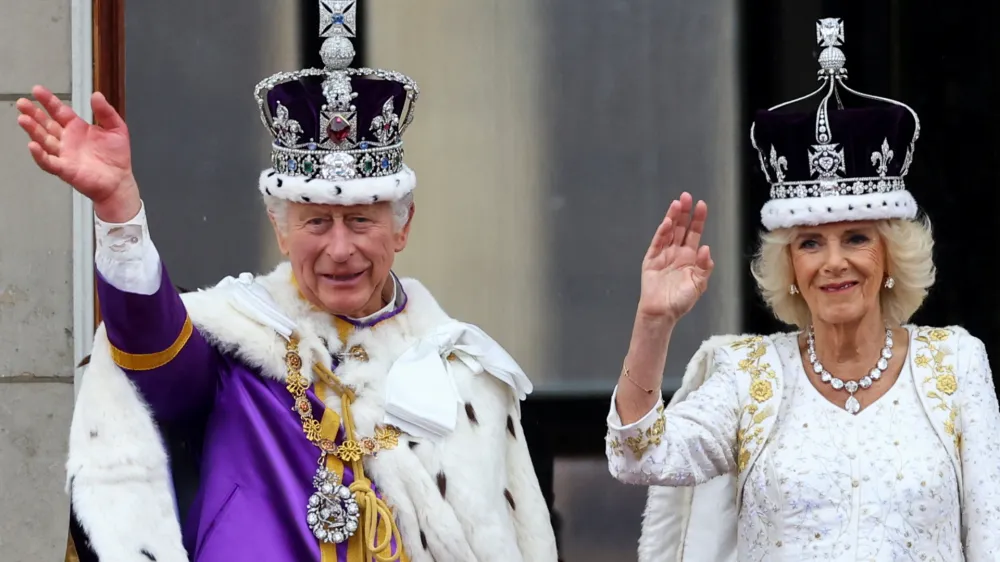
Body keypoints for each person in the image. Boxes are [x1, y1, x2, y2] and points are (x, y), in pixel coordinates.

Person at [18, 4, 558, 561]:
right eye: (316, 222)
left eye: (361, 220)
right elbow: (148, 347)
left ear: (402, 228)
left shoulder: (464, 374)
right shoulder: (240, 345)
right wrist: (119, 209)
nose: (339, 249)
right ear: (280, 229)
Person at [605, 17, 1000, 561]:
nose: (833, 263)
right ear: (790, 264)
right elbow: (637, 459)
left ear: (890, 254)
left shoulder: (955, 364)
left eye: (856, 238)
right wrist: (653, 322)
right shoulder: (750, 377)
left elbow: (990, 536)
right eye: (810, 243)